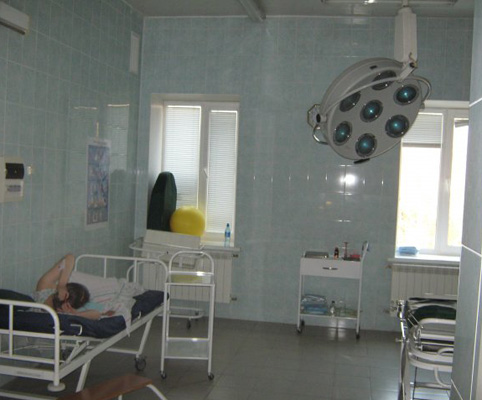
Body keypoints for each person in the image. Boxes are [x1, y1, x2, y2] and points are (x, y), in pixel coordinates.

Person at [34, 254, 108, 320]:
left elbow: (97, 314)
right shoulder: (44, 289)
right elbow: (69, 257)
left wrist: (75, 314)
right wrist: (61, 284)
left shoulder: (44, 287)